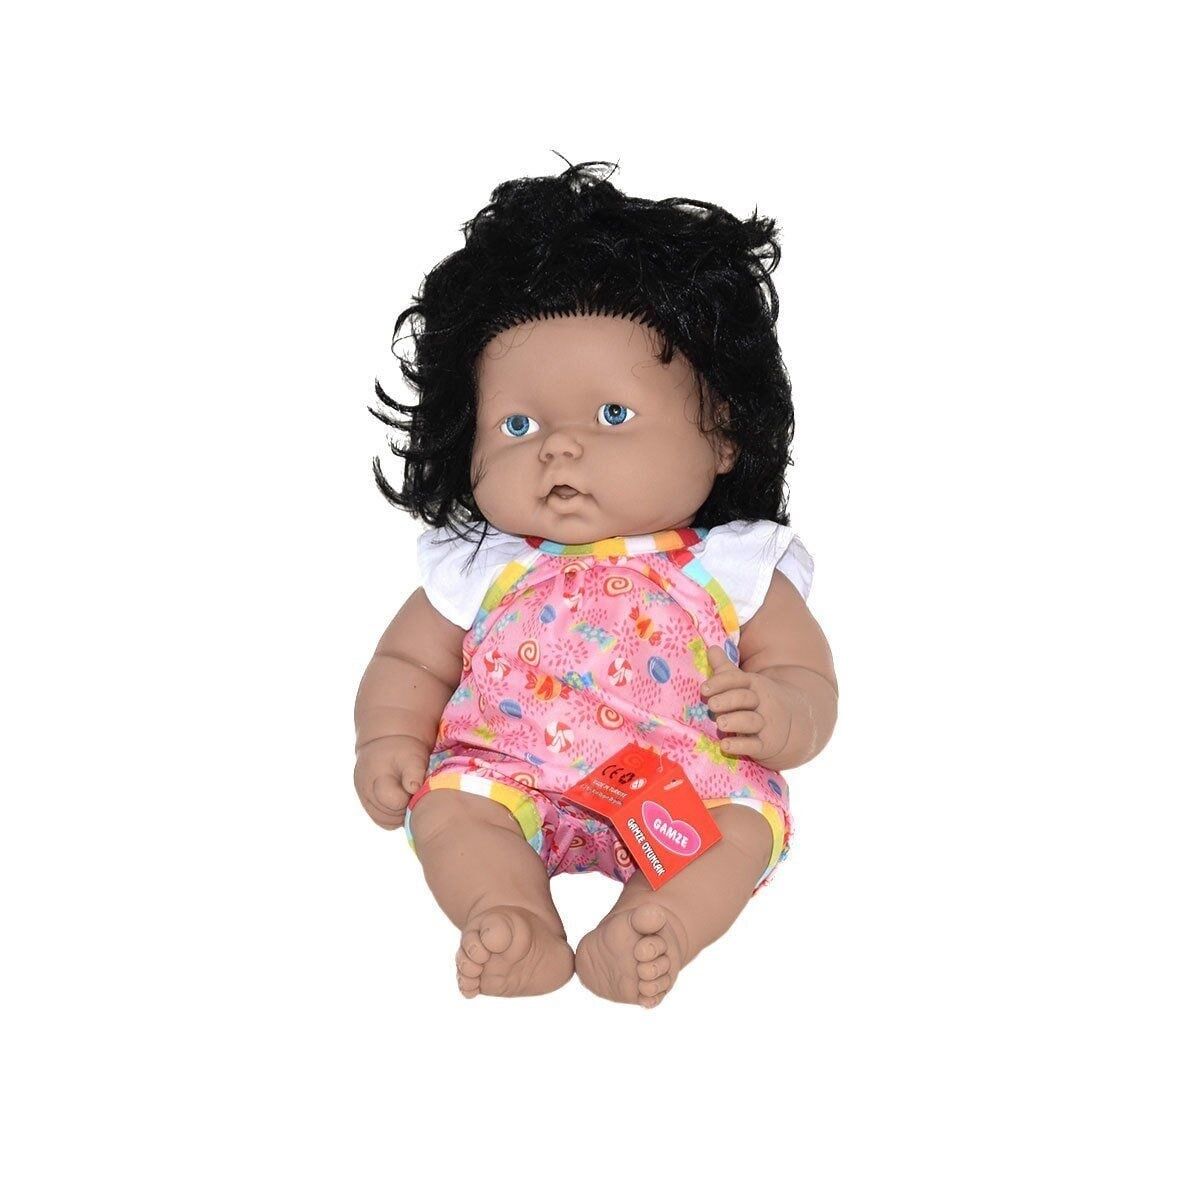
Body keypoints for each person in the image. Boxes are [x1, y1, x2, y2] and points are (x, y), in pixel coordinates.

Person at [354, 159, 838, 1006]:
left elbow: (804, 673)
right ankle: (511, 918)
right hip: (509, 770)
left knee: (740, 824)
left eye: (613, 415)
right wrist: (387, 739)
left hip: (682, 777)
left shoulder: (732, 562)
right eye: (518, 423)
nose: (559, 446)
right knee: (452, 811)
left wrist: (783, 713)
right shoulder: (481, 561)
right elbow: (409, 663)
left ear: (724, 434)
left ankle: (659, 924)